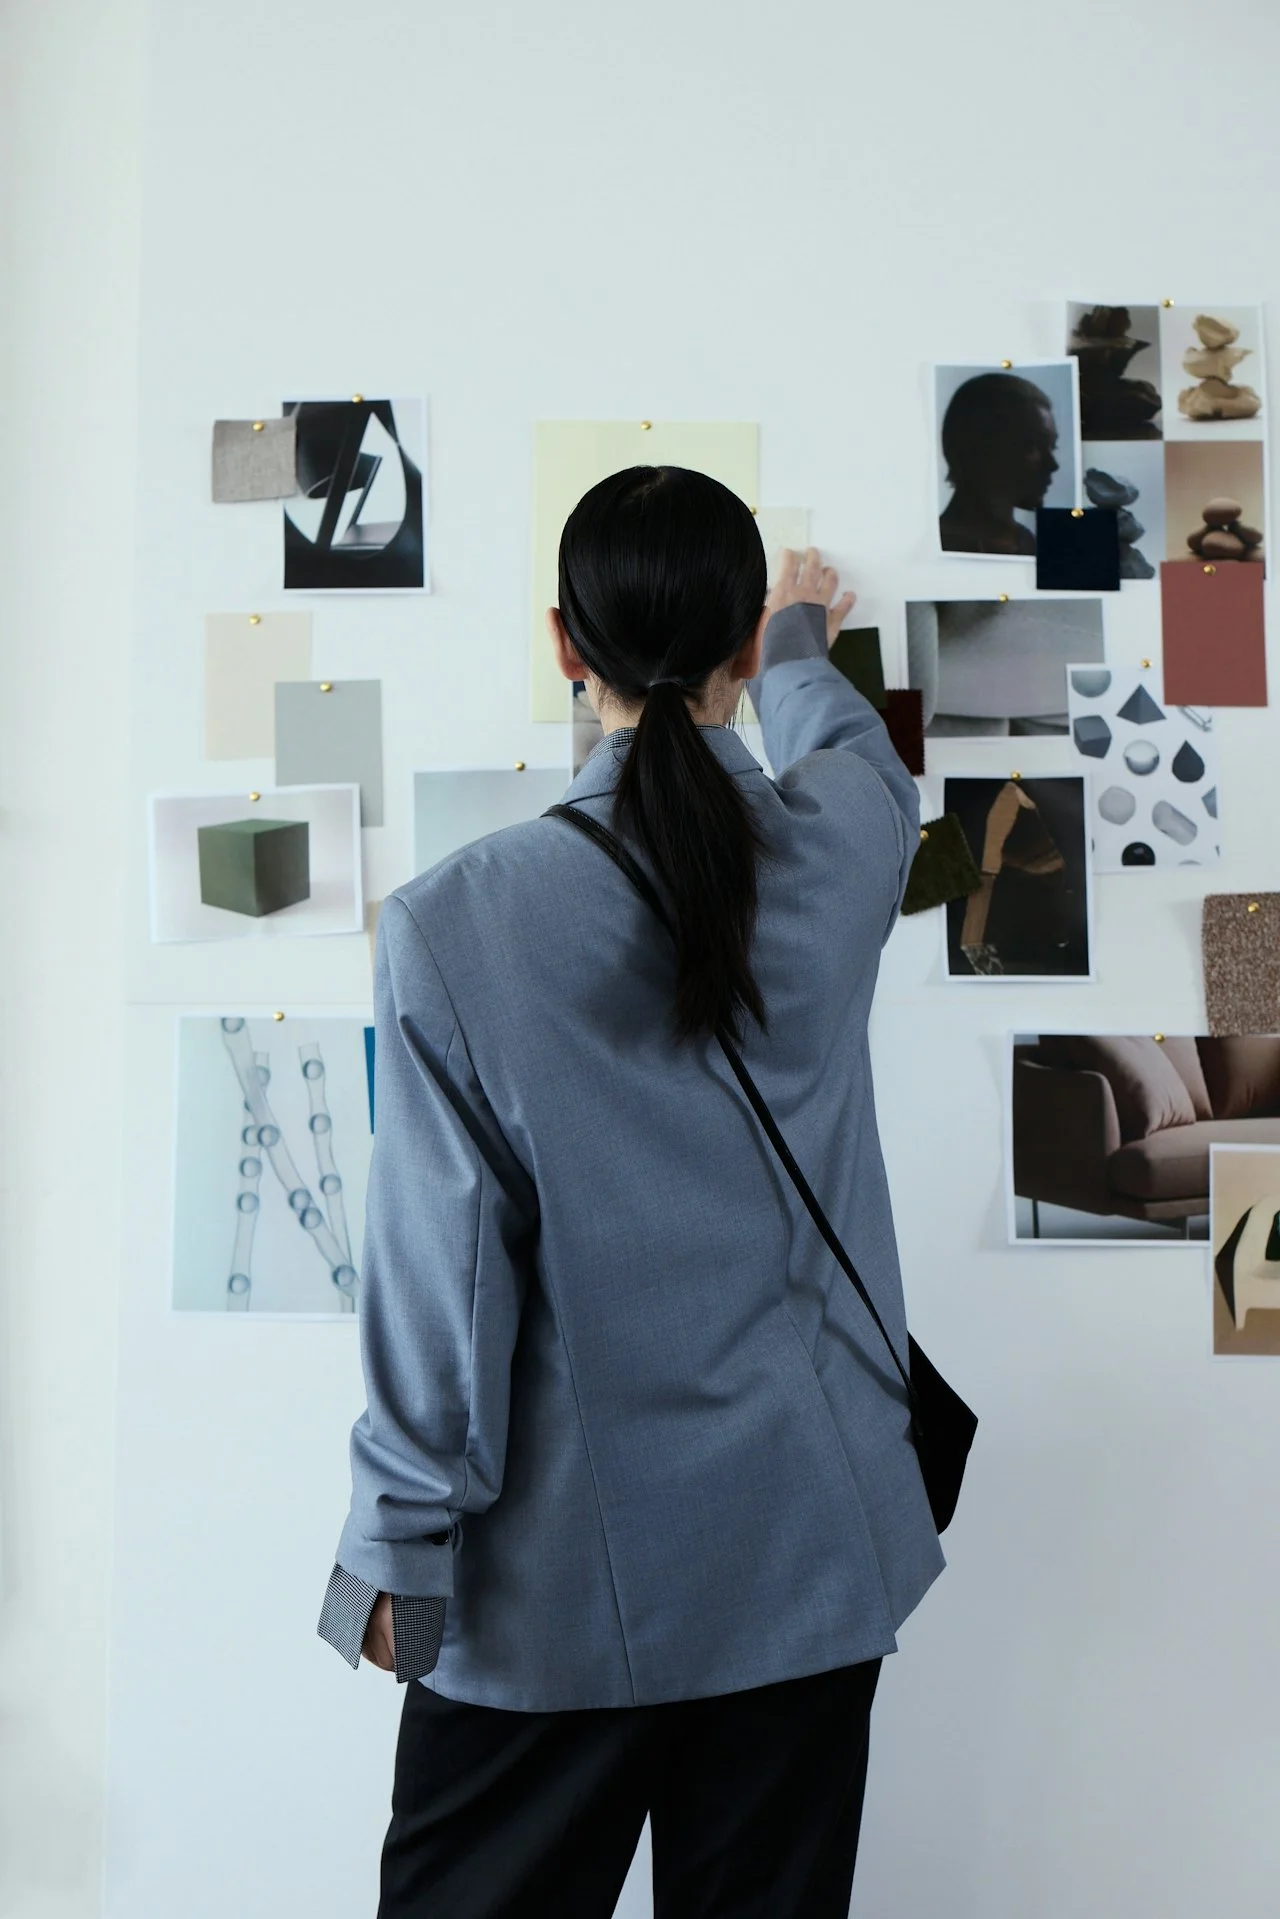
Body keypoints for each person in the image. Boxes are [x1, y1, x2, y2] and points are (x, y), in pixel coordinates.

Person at [318, 468, 944, 1917]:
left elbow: (439, 1276)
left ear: (562, 644)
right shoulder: (847, 846)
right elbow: (854, 748)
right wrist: (797, 636)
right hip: (806, 1560)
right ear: (733, 649)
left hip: (553, 1598)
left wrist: (396, 1551)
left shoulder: (457, 920)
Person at [938, 370, 1060, 554]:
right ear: (978, 448)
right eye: (1032, 445)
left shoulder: (1028, 543)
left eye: (1053, 447)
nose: (1053, 465)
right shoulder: (941, 542)